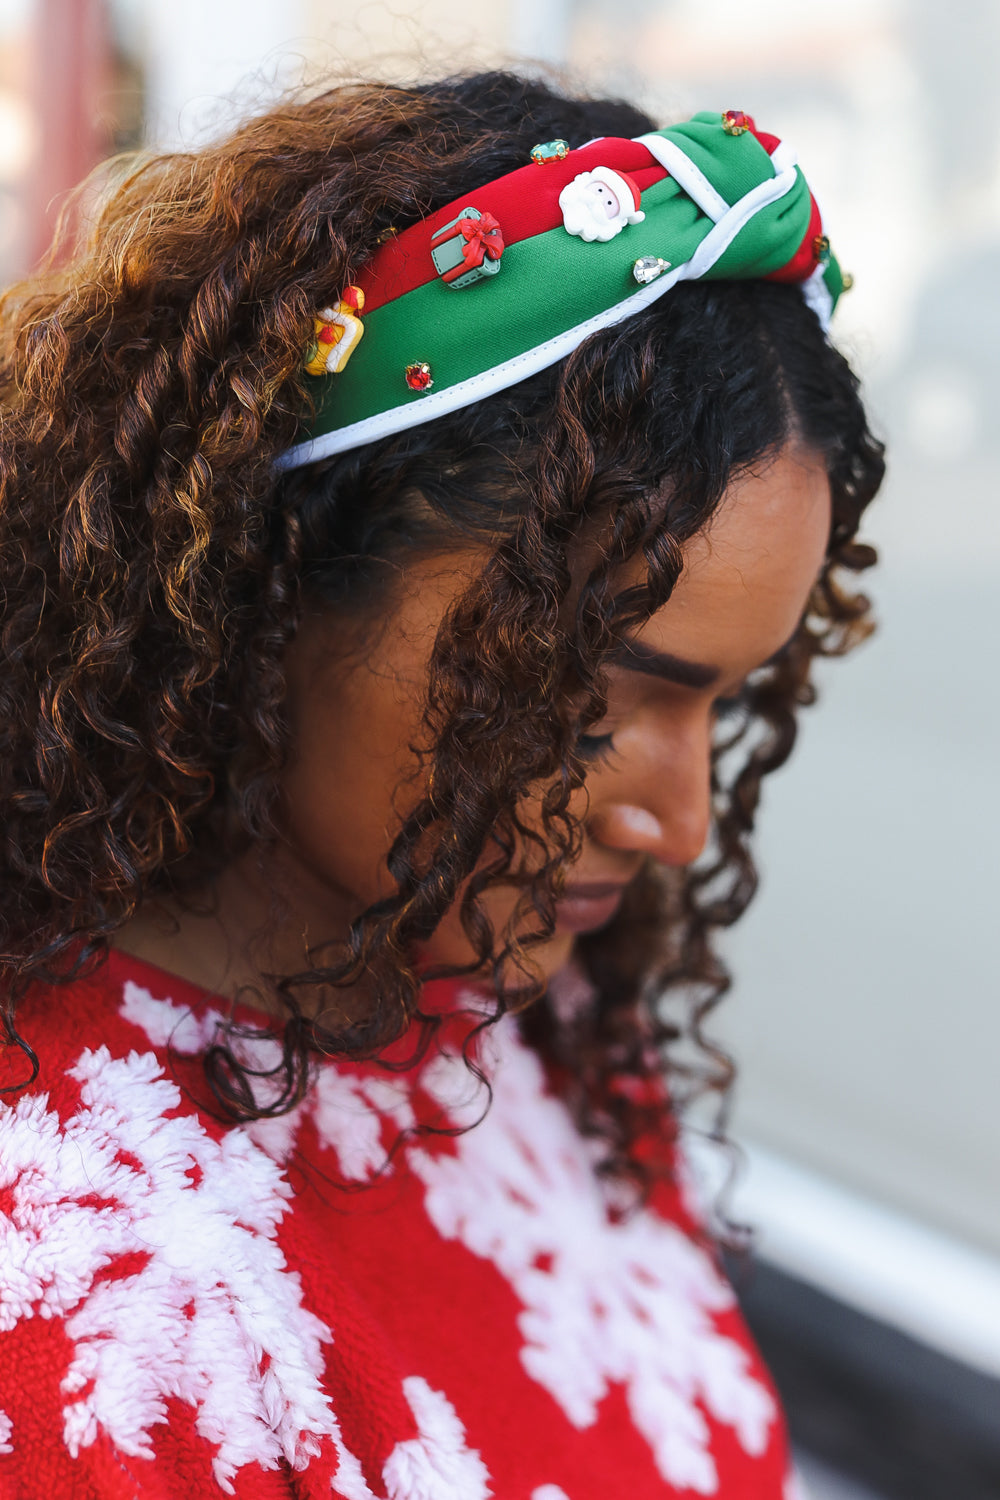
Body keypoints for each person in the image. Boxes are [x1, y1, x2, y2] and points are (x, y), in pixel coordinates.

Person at [0, 72, 884, 1500]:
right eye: (584, 692)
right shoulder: (79, 1320)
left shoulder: (514, 1003)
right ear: (272, 582)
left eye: (729, 701)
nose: (680, 822)